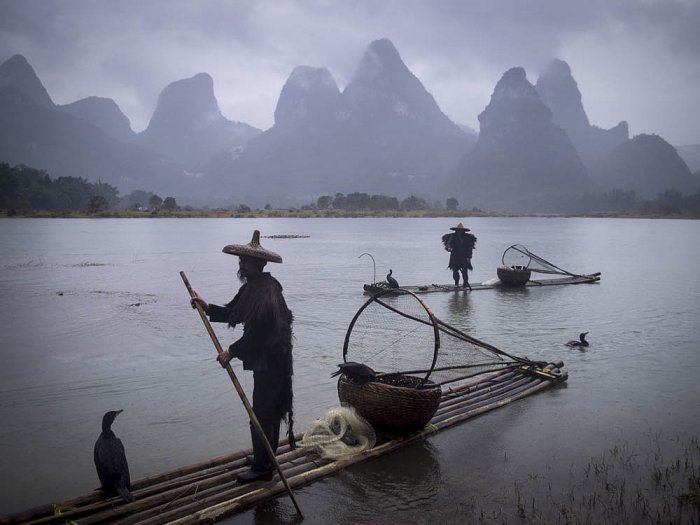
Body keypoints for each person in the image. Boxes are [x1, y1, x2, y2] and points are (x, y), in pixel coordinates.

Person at [190, 230, 295, 484]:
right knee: (266, 412)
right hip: (271, 360)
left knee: (261, 414)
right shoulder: (255, 287)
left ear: (258, 264)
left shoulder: (266, 291)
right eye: (241, 261)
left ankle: (262, 468)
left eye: (245, 261)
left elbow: (258, 333)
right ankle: (265, 456)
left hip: (272, 361)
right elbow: (235, 313)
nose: (241, 265)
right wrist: (207, 307)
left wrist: (231, 352)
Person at [441, 223, 477, 290]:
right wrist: (449, 248)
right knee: (455, 271)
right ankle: (456, 284)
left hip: (464, 257)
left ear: (463, 231)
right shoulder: (452, 237)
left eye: (461, 230)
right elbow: (448, 244)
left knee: (465, 271)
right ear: (456, 230)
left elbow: (469, 248)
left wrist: (469, 257)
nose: (459, 232)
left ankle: (465, 283)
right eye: (458, 230)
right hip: (455, 256)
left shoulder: (467, 238)